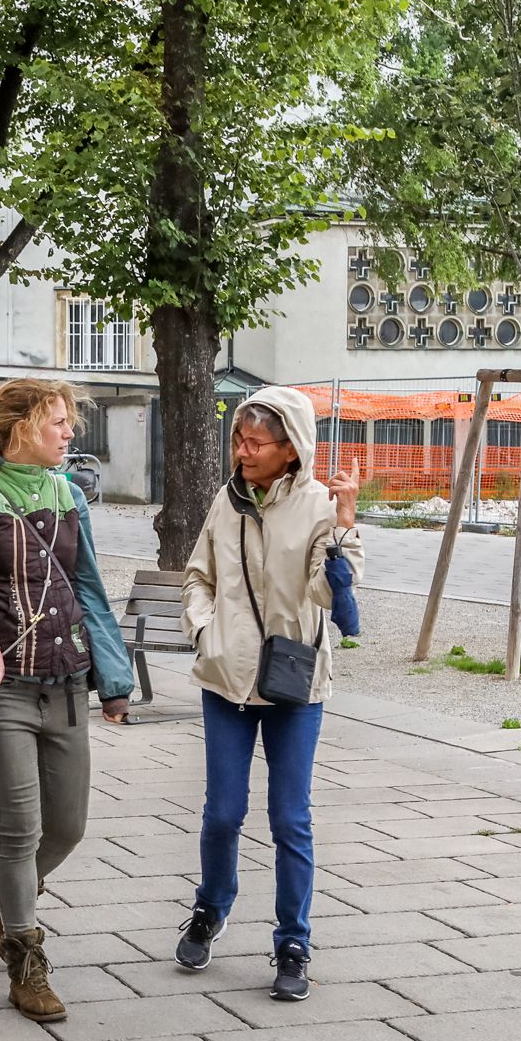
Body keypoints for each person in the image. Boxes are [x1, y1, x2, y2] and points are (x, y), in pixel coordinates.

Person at [0, 379, 134, 1022]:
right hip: (7, 690)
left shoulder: (70, 494)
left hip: (67, 682)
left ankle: (7, 890)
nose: (69, 431)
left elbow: (90, 591)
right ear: (22, 427)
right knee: (20, 826)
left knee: (69, 827)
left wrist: (113, 678)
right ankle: (26, 959)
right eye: (58, 421)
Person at [176, 386, 361, 1002]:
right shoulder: (223, 503)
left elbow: (331, 595)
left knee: (291, 819)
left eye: (257, 442)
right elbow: (198, 576)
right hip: (226, 677)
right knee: (223, 811)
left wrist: (343, 526)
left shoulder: (317, 507)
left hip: (294, 684)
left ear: (291, 450)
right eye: (239, 439)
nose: (243, 451)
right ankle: (210, 909)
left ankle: (293, 942)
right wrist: (206, 631)